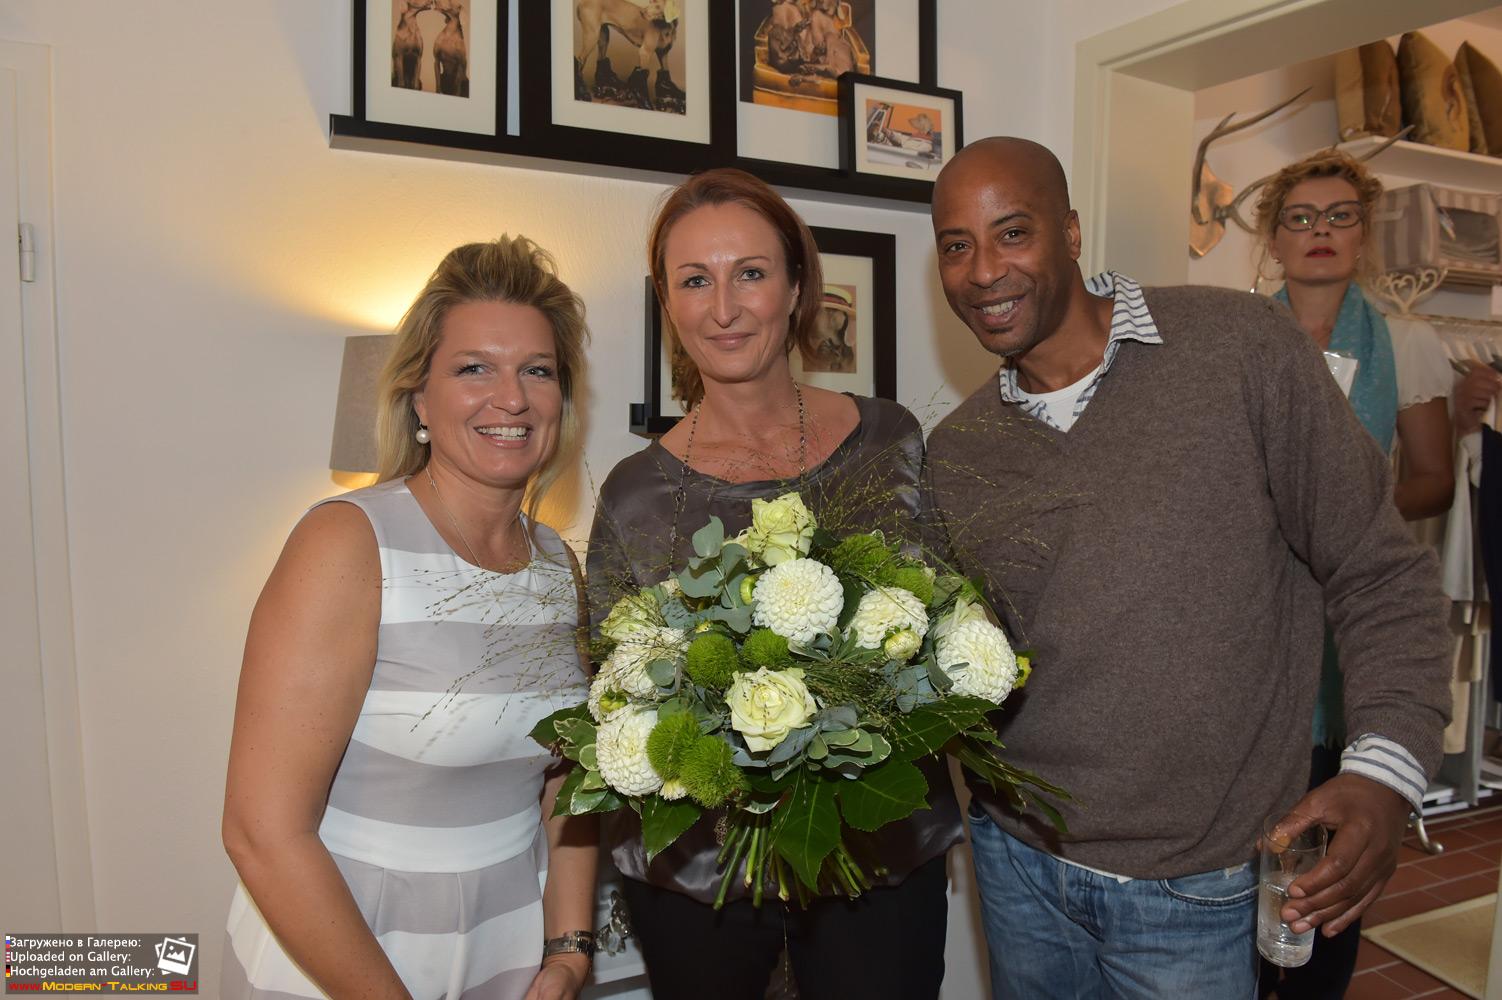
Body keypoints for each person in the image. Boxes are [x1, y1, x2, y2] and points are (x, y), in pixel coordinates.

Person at [923, 137, 1451, 999]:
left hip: (1198, 885)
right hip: (1017, 863)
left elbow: (1379, 572)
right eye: (956, 245)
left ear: (1071, 232)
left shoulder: (1240, 347)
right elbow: (981, 661)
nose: (983, 270)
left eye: (1012, 232)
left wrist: (1384, 772)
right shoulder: (958, 451)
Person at [586, 167, 961, 1000]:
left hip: (878, 861)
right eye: (695, 281)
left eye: (749, 273)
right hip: (701, 882)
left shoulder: (889, 441)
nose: (723, 308)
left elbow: (942, 627)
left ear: (796, 287)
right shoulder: (634, 493)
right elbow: (613, 691)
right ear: (667, 302)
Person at [221, 237, 598, 1000]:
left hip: (507, 949)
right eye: (474, 368)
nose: (512, 398)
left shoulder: (557, 564)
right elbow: (262, 832)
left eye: (537, 370)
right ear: (419, 397)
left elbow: (569, 780)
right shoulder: (347, 543)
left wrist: (569, 950)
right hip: (351, 956)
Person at [1250, 149, 1456, 999]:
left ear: (1363, 234)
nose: (1320, 232)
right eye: (1300, 218)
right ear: (1274, 238)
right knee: (1245, 842)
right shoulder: (1241, 334)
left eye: (1340, 216)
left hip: (1351, 617)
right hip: (1256, 610)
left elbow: (1435, 479)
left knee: (1330, 845)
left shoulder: (1407, 342)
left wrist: (1338, 516)